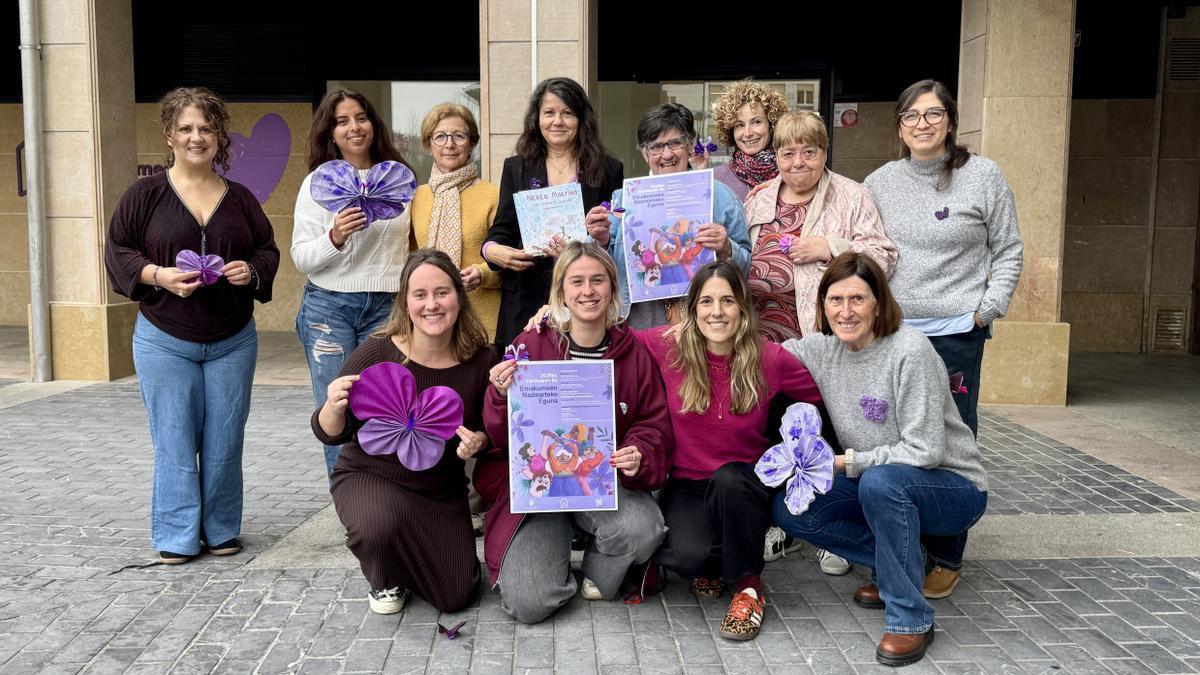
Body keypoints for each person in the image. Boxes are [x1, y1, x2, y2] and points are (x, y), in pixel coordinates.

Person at [776, 252, 988, 667]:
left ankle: (910, 619)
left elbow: (925, 450)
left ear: (878, 302)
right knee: (793, 507)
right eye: (835, 300)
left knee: (881, 483)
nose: (845, 311)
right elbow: (768, 356)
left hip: (952, 486)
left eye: (857, 299)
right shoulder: (824, 348)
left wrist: (845, 462)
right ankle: (901, 568)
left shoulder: (911, 350)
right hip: (882, 481)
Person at [105, 86, 279, 564]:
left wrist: (250, 271)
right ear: (169, 135)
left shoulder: (240, 198)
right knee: (175, 440)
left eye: (206, 127)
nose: (196, 136)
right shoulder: (146, 194)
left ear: (219, 135)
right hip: (165, 339)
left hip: (232, 341)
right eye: (186, 128)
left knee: (225, 438)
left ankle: (221, 529)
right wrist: (157, 275)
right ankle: (178, 535)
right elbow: (118, 250)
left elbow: (266, 248)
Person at [864, 79, 1022, 597]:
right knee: (892, 439)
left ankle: (948, 555)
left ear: (950, 121)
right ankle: (901, 549)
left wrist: (986, 310)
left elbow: (1009, 250)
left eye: (932, 114)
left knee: (951, 442)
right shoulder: (881, 181)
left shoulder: (983, 177)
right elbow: (868, 250)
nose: (922, 124)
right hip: (894, 334)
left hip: (956, 333)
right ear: (900, 127)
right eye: (911, 116)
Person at [477, 242, 671, 624]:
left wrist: (638, 452)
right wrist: (499, 395)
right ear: (561, 291)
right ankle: (551, 559)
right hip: (539, 492)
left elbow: (653, 423)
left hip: (600, 483)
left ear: (613, 289)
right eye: (576, 281)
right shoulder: (529, 344)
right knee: (529, 605)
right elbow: (500, 436)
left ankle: (599, 572)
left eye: (598, 280)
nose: (588, 291)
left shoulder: (632, 353)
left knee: (644, 528)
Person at [639, 261, 822, 641]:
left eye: (727, 301)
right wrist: (550, 318)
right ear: (692, 309)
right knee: (684, 558)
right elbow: (610, 339)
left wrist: (797, 457)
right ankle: (717, 560)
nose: (716, 311)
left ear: (742, 307)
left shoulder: (771, 358)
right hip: (688, 481)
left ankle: (748, 588)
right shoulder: (667, 346)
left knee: (730, 480)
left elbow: (815, 403)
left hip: (745, 481)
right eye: (706, 301)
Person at [313, 249, 495, 615]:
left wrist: (480, 442)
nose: (432, 304)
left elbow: (490, 431)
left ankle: (409, 557)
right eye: (420, 294)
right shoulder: (378, 353)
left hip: (439, 490)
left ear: (459, 297)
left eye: (442, 292)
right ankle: (385, 575)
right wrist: (332, 407)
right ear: (405, 302)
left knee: (457, 596)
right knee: (379, 526)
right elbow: (329, 432)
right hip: (371, 476)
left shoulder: (482, 360)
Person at [291, 89, 414, 478]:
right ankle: (347, 504)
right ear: (331, 131)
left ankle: (384, 497)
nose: (353, 127)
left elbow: (414, 245)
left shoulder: (398, 179)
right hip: (329, 308)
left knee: (385, 404)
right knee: (337, 407)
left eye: (360, 117)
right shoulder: (317, 185)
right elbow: (301, 257)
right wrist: (335, 237)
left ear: (373, 124)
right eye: (342, 121)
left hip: (387, 306)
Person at [482, 77, 624, 349]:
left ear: (582, 119)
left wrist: (601, 239)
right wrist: (492, 251)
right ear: (537, 119)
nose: (557, 121)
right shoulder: (516, 168)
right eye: (549, 113)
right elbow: (502, 229)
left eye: (567, 113)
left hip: (583, 299)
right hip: (525, 295)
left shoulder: (608, 169)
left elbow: (616, 239)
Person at [584, 103, 751, 329]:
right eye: (655, 146)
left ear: (690, 144)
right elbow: (596, 270)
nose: (666, 154)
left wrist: (726, 248)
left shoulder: (721, 197)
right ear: (644, 154)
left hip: (705, 328)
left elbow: (747, 268)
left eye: (675, 143)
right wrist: (600, 241)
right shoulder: (623, 200)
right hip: (639, 328)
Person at [743, 111, 897, 342]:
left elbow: (884, 259)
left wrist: (830, 248)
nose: (798, 162)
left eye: (808, 152)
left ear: (824, 152)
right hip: (755, 343)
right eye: (788, 154)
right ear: (776, 156)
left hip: (823, 345)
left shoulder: (852, 196)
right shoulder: (758, 199)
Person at [411, 103, 502, 341]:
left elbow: (511, 261)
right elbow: (408, 263)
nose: (449, 144)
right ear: (428, 144)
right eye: (440, 136)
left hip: (480, 323)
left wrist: (483, 274)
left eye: (459, 136)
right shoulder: (416, 197)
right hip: (428, 324)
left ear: (472, 142)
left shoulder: (494, 195)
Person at [710, 80, 790, 201]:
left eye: (756, 122)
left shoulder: (792, 173)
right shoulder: (716, 179)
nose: (748, 133)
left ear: (772, 125)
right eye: (740, 125)